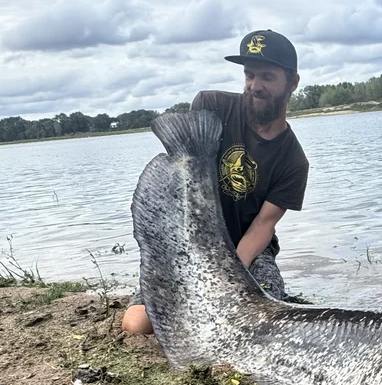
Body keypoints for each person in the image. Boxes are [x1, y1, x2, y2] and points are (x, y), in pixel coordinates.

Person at [122, 29, 309, 335]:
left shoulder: (294, 160)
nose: (254, 86)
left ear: (292, 82)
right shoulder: (213, 107)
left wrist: (224, 276)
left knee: (260, 320)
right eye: (249, 75)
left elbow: (263, 226)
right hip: (189, 242)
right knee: (137, 325)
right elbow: (182, 180)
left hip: (248, 250)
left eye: (267, 76)